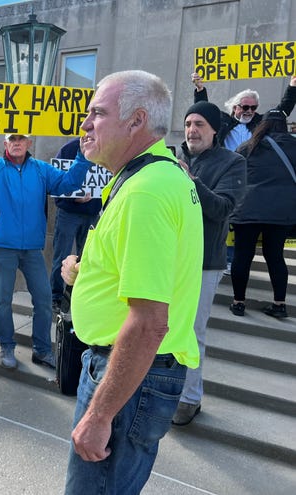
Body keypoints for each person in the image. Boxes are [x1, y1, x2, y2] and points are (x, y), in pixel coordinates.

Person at [59, 70, 203, 494]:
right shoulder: (157, 176)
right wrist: (87, 275)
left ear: (136, 121)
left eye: (97, 114)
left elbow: (148, 322)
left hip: (128, 375)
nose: (85, 125)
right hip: (134, 372)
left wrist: (100, 416)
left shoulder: (145, 192)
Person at [0, 118, 89, 370]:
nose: (16, 143)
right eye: (12, 139)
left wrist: (83, 155)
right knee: (3, 299)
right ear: (5, 142)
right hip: (3, 245)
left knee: (43, 298)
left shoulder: (40, 169)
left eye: (21, 139)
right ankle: (6, 346)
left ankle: (41, 350)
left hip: (31, 248)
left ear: (29, 142)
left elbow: (68, 183)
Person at [173, 101, 247, 426]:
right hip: (169, 258)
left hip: (205, 262)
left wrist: (190, 180)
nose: (192, 130)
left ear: (215, 129)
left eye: (200, 124)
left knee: (192, 331)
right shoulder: (173, 156)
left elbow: (222, 208)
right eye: (188, 123)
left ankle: (189, 399)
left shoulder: (233, 162)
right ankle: (163, 391)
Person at [192, 73, 296, 274]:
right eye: (244, 107)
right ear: (234, 107)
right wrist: (199, 90)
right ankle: (224, 258)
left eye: (253, 107)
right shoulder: (223, 122)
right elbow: (204, 113)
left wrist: (292, 87)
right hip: (223, 174)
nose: (249, 111)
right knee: (222, 216)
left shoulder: (260, 123)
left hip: (249, 180)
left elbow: (282, 110)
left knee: (238, 222)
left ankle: (231, 260)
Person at [229, 109, 296, 319]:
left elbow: (235, 176)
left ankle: (238, 302)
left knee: (243, 255)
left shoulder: (248, 147)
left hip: (248, 210)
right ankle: (279, 304)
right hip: (281, 211)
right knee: (275, 256)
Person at [49, 138, 101, 311]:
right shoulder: (67, 150)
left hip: (92, 214)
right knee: (61, 255)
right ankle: (55, 297)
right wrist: (73, 197)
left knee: (86, 259)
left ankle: (79, 296)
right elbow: (56, 183)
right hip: (68, 213)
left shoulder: (104, 149)